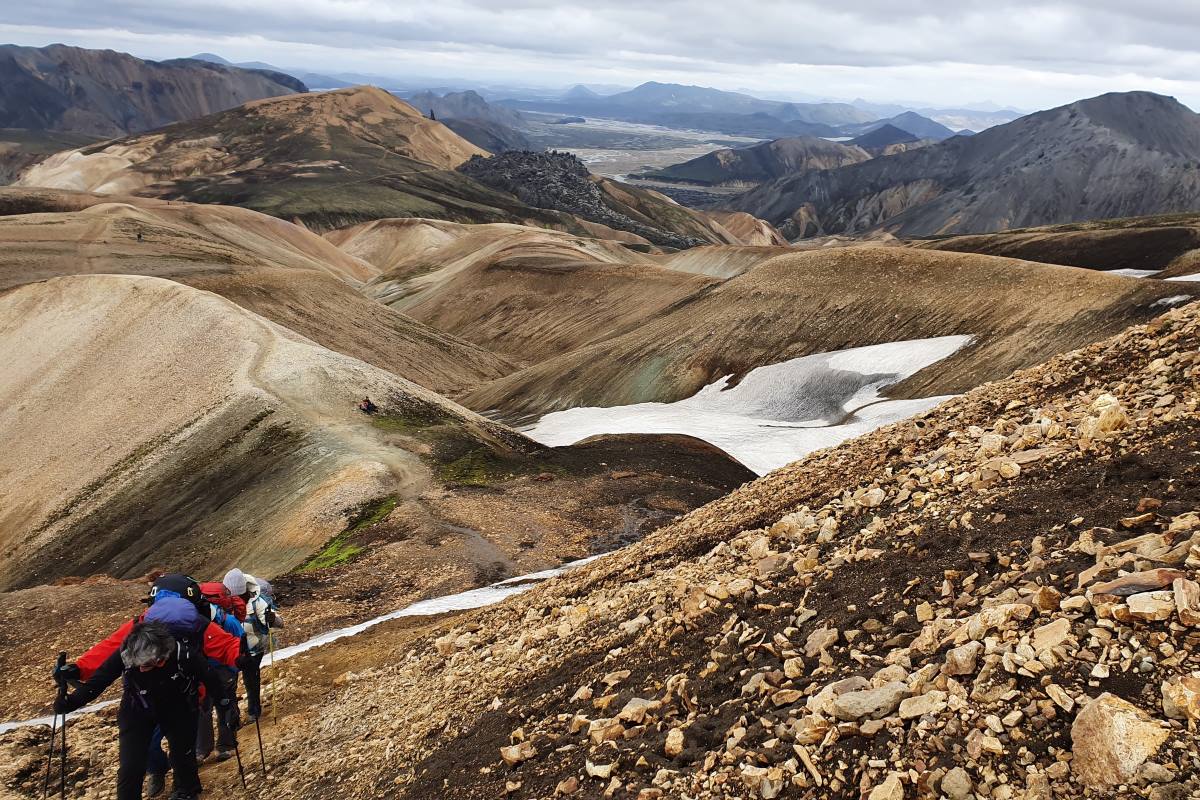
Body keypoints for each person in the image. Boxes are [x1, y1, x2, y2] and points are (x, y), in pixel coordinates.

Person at [55, 621, 235, 800]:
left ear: (162, 658)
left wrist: (225, 705)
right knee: (130, 766)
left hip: (179, 707)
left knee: (182, 755)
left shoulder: (184, 654)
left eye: (146, 665)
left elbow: (210, 678)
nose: (140, 668)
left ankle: (186, 791)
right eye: (137, 664)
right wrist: (70, 703)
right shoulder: (126, 653)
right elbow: (99, 681)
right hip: (136, 709)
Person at [224, 568, 282, 719]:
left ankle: (253, 712)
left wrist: (272, 619)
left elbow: (279, 623)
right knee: (231, 683)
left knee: (250, 680)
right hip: (232, 649)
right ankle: (233, 717)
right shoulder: (224, 602)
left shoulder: (258, 602)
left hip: (253, 650)